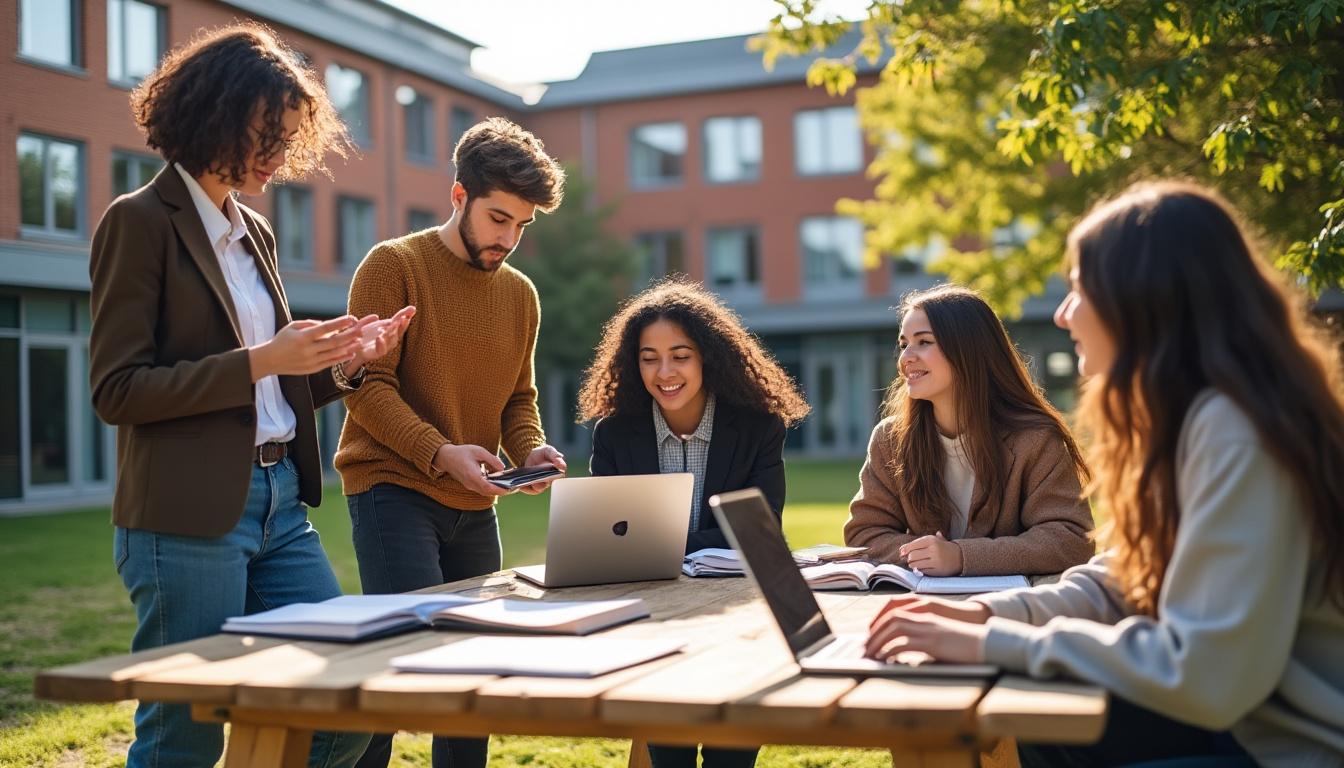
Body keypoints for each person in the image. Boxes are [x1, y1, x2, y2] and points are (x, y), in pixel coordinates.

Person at [863, 181, 1344, 767]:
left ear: (1142, 300)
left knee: (1045, 710)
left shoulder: (1235, 430)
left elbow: (1205, 673)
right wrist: (981, 613)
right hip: (1244, 718)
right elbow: (1122, 578)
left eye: (1078, 288)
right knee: (1046, 718)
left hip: (1286, 747)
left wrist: (993, 640)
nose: (1064, 313)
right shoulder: (1194, 419)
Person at [89, 23, 412, 768]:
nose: (280, 155)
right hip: (186, 518)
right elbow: (117, 389)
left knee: (344, 703)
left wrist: (348, 363)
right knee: (182, 734)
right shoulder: (137, 223)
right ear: (217, 114)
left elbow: (272, 386)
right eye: (269, 134)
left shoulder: (255, 232)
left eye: (290, 137)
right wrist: (264, 356)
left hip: (279, 507)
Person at [335, 116, 567, 768]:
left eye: (522, 225)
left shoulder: (521, 295)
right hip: (392, 489)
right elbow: (365, 388)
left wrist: (529, 451)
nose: (509, 239)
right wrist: (440, 453)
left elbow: (517, 399)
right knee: (399, 658)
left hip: (476, 500)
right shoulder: (392, 266)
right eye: (499, 219)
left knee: (473, 669)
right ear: (459, 196)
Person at [577, 277, 810, 768]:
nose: (665, 372)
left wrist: (656, 541)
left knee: (731, 754)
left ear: (708, 357)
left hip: (741, 614)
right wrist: (695, 542)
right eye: (649, 357)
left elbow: (758, 526)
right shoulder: (615, 434)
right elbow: (607, 537)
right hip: (655, 615)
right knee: (671, 751)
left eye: (680, 355)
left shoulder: (758, 426)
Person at [844, 285, 1094, 576]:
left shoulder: (1035, 439)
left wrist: (962, 557)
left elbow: (1071, 540)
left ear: (968, 350)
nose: (906, 358)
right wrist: (925, 557)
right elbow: (864, 535)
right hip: (919, 608)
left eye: (924, 342)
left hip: (1009, 610)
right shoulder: (889, 439)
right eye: (903, 344)